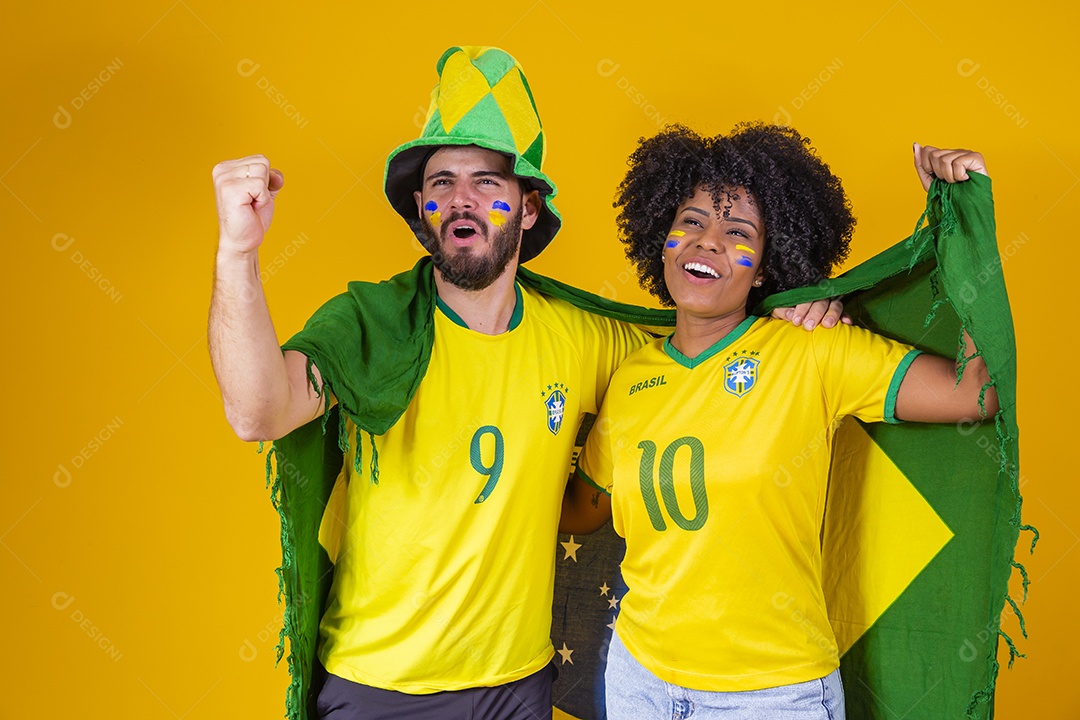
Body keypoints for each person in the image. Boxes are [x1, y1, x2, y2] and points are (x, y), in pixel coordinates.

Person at [209, 48, 840, 720]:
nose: (461, 199)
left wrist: (800, 309)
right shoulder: (369, 323)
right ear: (422, 207)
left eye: (487, 182)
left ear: (528, 209)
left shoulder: (585, 336)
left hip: (518, 689)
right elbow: (257, 412)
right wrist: (238, 252)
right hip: (380, 688)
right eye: (442, 181)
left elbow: (705, 341)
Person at [559, 124, 997, 719]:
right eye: (690, 221)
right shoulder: (632, 375)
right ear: (660, 235)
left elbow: (974, 393)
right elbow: (582, 512)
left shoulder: (813, 350)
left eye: (738, 232)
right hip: (640, 680)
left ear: (766, 266)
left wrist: (964, 228)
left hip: (772, 695)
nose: (707, 242)